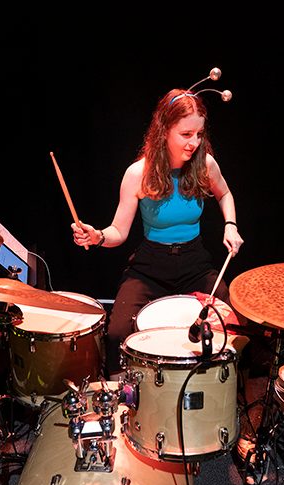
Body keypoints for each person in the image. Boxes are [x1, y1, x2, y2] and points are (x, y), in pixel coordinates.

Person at [71, 87, 244, 377]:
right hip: (150, 266)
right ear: (164, 130)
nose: (194, 143)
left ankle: (226, 394)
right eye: (186, 134)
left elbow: (225, 194)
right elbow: (118, 231)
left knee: (232, 325)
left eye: (199, 134)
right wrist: (97, 236)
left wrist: (231, 225)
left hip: (195, 263)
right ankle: (123, 394)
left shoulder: (205, 165)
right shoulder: (137, 174)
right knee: (117, 334)